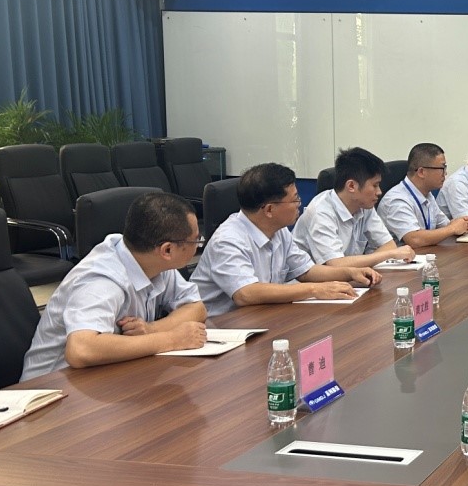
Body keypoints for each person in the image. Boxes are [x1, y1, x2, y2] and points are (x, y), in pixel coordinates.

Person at [20, 191, 207, 379]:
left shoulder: (154, 261)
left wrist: (151, 330)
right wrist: (172, 339)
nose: (198, 244)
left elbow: (196, 308)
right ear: (167, 249)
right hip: (51, 385)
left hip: (104, 376)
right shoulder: (100, 279)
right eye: (196, 240)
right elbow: (81, 349)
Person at [192, 162, 381, 316]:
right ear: (269, 210)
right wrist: (315, 290)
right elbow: (246, 293)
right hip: (220, 328)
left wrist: (350, 273)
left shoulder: (278, 230)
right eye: (295, 199)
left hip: (262, 316)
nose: (299, 204)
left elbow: (306, 271)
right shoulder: (228, 240)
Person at [294, 147, 414, 267]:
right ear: (351, 186)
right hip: (308, 278)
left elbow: (388, 245)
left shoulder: (363, 205)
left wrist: (386, 254)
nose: (379, 192)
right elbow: (336, 265)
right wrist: (389, 255)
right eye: (375, 185)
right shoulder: (321, 212)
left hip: (349, 275)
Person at [377, 142, 468, 248]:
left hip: (423, 254)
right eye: (442, 168)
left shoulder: (427, 194)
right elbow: (414, 239)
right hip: (398, 257)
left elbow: (444, 225)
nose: (445, 173)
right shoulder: (396, 200)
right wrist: (452, 229)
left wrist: (461, 224)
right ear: (421, 172)